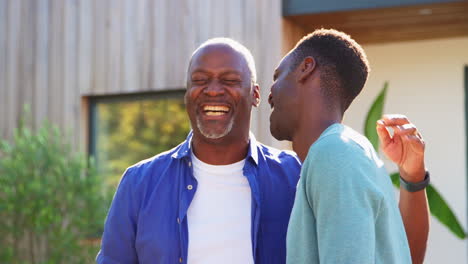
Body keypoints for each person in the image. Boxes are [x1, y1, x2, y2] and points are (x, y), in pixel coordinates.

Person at [96, 37, 428, 264]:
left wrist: (413, 179)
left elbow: (395, 249)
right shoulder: (139, 184)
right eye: (199, 80)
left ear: (255, 94)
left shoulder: (298, 174)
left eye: (228, 80)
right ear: (187, 93)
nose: (212, 90)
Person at [268, 29, 429, 264]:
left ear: (306, 68)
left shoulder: (334, 153)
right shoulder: (353, 151)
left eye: (276, 77)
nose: (269, 94)